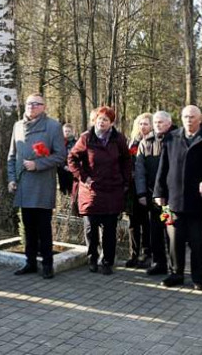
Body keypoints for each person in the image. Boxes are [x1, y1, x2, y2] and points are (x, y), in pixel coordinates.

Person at [153, 105, 202, 291]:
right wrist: (159, 192)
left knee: (198, 242)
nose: (188, 120)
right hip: (172, 201)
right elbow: (163, 167)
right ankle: (176, 273)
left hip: (199, 201)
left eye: (192, 117)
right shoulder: (171, 137)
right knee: (174, 240)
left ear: (200, 119)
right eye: (185, 116)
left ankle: (198, 277)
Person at [8, 94, 66, 279]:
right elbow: (11, 156)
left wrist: (37, 165)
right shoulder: (17, 126)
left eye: (36, 104)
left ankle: (47, 264)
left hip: (42, 185)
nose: (31, 107)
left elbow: (60, 156)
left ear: (43, 107)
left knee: (43, 227)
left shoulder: (53, 126)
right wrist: (11, 179)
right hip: (23, 184)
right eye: (29, 103)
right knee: (28, 226)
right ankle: (30, 262)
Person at [67, 106, 131, 275]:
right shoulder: (86, 138)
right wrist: (84, 177)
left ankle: (108, 261)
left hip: (113, 190)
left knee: (110, 230)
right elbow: (72, 158)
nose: (102, 122)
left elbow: (126, 160)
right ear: (94, 120)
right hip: (91, 190)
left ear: (111, 123)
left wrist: (125, 181)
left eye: (106, 120)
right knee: (91, 229)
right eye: (99, 119)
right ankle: (92, 259)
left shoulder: (119, 139)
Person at [135, 111, 173, 276]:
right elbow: (140, 170)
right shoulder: (146, 143)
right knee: (155, 232)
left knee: (170, 232)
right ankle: (159, 263)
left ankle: (174, 266)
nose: (158, 124)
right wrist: (142, 193)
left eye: (161, 122)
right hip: (153, 197)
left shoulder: (175, 140)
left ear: (169, 123)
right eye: (156, 122)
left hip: (170, 198)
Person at [126, 113, 153, 268]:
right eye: (141, 124)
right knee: (133, 223)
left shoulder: (155, 142)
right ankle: (133, 254)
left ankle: (148, 254)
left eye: (146, 124)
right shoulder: (132, 143)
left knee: (148, 222)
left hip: (149, 189)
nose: (143, 127)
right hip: (132, 189)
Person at [59, 124, 76, 197]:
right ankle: (63, 202)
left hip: (72, 168)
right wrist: (63, 166)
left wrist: (71, 166)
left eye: (69, 131)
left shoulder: (76, 143)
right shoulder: (59, 143)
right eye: (65, 131)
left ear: (72, 132)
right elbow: (57, 155)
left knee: (72, 187)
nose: (67, 133)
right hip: (61, 168)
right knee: (62, 188)